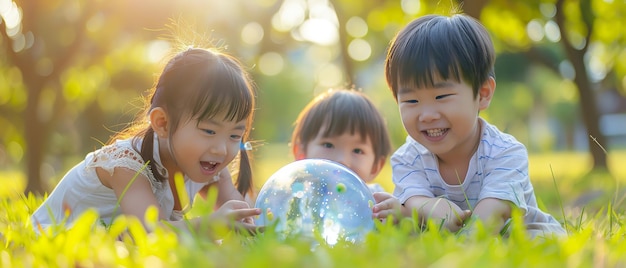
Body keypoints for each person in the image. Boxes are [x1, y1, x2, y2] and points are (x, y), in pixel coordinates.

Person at [31, 47, 262, 237]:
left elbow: (243, 213)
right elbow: (150, 233)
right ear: (162, 123)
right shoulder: (126, 165)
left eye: (234, 135)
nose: (221, 150)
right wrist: (211, 225)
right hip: (57, 237)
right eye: (209, 131)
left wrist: (256, 222)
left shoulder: (209, 164)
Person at [384, 14, 566, 237]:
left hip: (512, 232)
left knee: (540, 239)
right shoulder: (407, 158)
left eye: (441, 96)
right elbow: (412, 199)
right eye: (411, 101)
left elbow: (493, 214)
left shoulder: (506, 153)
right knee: (401, 226)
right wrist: (429, 206)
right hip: (443, 233)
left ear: (482, 94)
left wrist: (462, 248)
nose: (427, 115)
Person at [290, 89, 401, 220]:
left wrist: (397, 217)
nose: (342, 161)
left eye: (357, 151)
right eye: (328, 145)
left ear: (375, 167)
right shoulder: (297, 195)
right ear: (301, 153)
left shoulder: (375, 202)